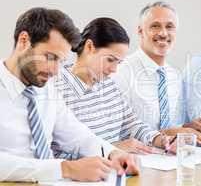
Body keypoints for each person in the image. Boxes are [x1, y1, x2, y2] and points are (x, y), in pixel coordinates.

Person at [0, 7, 138, 183]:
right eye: (50, 57)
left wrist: (112, 152)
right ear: (24, 40)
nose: (56, 71)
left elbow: (76, 134)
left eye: (61, 61)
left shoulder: (46, 89)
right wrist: (64, 168)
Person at [52, 17, 175, 155]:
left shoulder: (107, 84)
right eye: (110, 60)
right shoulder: (56, 89)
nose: (114, 69)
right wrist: (113, 149)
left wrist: (159, 139)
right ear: (89, 47)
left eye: (118, 62)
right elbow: (53, 155)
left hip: (116, 170)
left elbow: (130, 124)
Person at [112, 1, 201, 143]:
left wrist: (188, 127)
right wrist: (165, 134)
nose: (163, 33)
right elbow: (116, 134)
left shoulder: (173, 75)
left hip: (172, 155)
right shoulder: (121, 72)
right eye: (155, 26)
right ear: (140, 31)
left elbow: (170, 126)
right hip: (137, 159)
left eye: (169, 27)